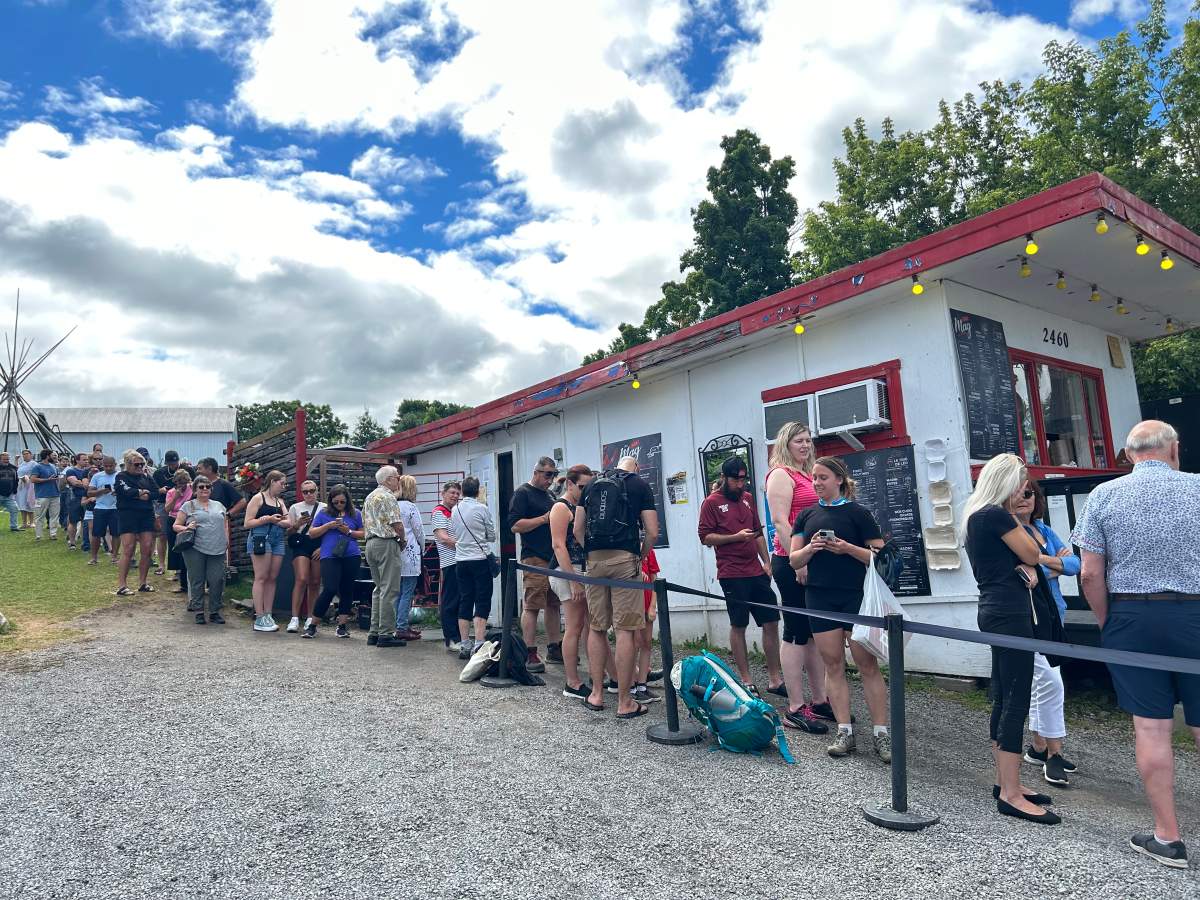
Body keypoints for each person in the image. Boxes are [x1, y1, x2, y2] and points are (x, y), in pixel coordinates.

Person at [1072, 420, 1200, 867]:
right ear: (1174, 450)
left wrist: (1110, 622)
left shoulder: (1105, 495)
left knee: (1151, 727)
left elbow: (1089, 573)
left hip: (1132, 616)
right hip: (1196, 613)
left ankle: (1168, 838)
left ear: (1128, 456)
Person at [962, 453, 1060, 825]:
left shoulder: (976, 515)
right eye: (1020, 481)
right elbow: (1034, 552)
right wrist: (1031, 564)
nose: (1024, 488)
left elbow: (1024, 560)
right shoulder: (997, 515)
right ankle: (1011, 792)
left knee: (1004, 694)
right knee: (1015, 696)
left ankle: (1005, 781)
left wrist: (1028, 568)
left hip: (994, 609)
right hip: (1010, 613)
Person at [789, 456, 890, 762]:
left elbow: (881, 557)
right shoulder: (806, 516)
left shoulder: (859, 513)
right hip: (820, 597)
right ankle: (844, 730)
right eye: (814, 478)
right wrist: (812, 548)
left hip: (856, 596)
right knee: (833, 665)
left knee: (867, 665)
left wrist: (847, 548)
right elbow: (794, 560)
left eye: (822, 478)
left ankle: (881, 733)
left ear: (839, 480)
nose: (817, 483)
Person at [575, 456, 658, 718]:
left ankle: (597, 694)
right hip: (625, 559)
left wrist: (590, 553)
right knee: (625, 629)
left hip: (595, 561)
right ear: (636, 468)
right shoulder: (640, 485)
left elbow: (577, 529)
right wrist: (640, 557)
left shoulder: (591, 485)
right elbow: (652, 532)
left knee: (597, 628)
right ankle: (625, 702)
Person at [698, 456, 785, 697]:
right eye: (736, 479)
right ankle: (746, 680)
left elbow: (757, 533)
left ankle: (775, 678)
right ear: (724, 478)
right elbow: (705, 537)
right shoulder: (711, 503)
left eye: (743, 479)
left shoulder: (747, 499)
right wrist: (734, 537)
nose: (741, 483)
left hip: (756, 571)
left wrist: (767, 562)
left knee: (771, 621)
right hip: (731, 572)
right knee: (739, 624)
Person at [765, 422, 832, 733]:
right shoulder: (781, 474)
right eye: (799, 441)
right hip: (789, 559)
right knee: (795, 631)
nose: (805, 446)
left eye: (808, 440)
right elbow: (780, 521)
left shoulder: (808, 474)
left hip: (815, 560)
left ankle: (820, 700)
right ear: (786, 444)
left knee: (814, 631)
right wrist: (797, 560)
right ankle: (794, 707)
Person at [1016, 481, 1080, 787]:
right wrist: (1053, 564)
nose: (1022, 500)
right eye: (1015, 494)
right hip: (1031, 618)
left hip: (1055, 613)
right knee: (1051, 682)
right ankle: (1054, 754)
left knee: (1042, 683)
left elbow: (1075, 564)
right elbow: (1024, 569)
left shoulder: (1044, 528)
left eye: (1027, 494)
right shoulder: (1010, 532)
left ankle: (1038, 748)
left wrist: (1041, 562)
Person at [507, 456, 563, 673]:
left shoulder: (548, 494)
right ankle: (529, 651)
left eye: (554, 475)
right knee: (532, 605)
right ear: (537, 472)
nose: (550, 479)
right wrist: (543, 519)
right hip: (534, 557)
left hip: (551, 557)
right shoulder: (523, 493)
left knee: (553, 604)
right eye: (548, 474)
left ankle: (553, 646)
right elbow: (514, 526)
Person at [549, 464, 595, 698]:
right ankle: (572, 681)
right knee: (574, 627)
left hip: (582, 569)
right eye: (581, 487)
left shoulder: (580, 505)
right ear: (569, 484)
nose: (585, 491)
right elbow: (558, 545)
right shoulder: (561, 507)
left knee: (590, 626)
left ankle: (598, 675)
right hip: (567, 570)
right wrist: (573, 580)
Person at [305, 484, 364, 639]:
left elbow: (364, 533)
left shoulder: (355, 514)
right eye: (336, 502)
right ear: (331, 501)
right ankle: (313, 625)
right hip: (330, 555)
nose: (339, 505)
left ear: (347, 501)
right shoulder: (324, 514)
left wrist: (349, 531)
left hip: (351, 554)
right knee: (330, 588)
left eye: (342, 502)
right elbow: (311, 533)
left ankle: (342, 625)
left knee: (347, 589)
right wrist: (328, 525)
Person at [173, 475, 228, 625]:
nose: (205, 489)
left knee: (217, 579)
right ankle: (198, 611)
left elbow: (225, 524)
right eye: (201, 487)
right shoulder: (188, 506)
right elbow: (176, 525)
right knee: (197, 579)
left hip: (217, 547)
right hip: (195, 548)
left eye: (207, 487)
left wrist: (226, 540)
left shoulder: (219, 505)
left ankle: (214, 611)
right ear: (195, 489)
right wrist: (186, 527)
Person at [451, 475, 496, 659]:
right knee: (482, 599)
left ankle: (464, 643)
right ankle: (479, 643)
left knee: (465, 600)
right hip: (480, 560)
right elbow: (491, 535)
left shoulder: (455, 509)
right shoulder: (482, 508)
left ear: (462, 491)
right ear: (478, 491)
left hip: (461, 560)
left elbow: (455, 532)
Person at [362, 466, 406, 648]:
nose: (398, 480)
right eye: (397, 477)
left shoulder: (370, 496)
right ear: (388, 480)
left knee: (379, 588)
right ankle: (386, 633)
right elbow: (397, 524)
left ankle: (374, 631)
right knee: (390, 589)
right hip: (386, 542)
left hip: (371, 543)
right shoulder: (388, 497)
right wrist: (402, 540)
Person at [243, 470, 289, 632]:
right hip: (260, 537)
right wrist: (267, 519)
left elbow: (288, 521)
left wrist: (279, 521)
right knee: (261, 577)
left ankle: (268, 613)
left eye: (285, 484)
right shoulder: (258, 498)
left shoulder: (280, 501)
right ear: (272, 481)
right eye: (281, 483)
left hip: (277, 538)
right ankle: (259, 615)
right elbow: (247, 523)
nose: (283, 486)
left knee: (272, 577)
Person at [114, 448, 158, 595]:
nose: (140, 467)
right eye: (136, 464)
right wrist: (140, 493)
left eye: (142, 464)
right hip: (128, 515)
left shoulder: (147, 477)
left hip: (146, 515)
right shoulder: (121, 476)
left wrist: (144, 494)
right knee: (128, 548)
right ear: (128, 464)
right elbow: (125, 491)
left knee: (147, 548)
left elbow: (156, 492)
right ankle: (122, 585)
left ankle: (143, 582)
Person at [285, 480, 325, 634]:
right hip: (301, 542)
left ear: (317, 491)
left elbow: (329, 531)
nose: (309, 494)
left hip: (318, 543)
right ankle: (294, 618)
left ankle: (310, 617)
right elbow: (289, 533)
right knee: (301, 578)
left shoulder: (324, 508)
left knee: (315, 582)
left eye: (311, 490)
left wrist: (323, 548)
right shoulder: (295, 507)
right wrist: (297, 524)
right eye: (305, 491)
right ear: (301, 493)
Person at [195, 458, 247, 566]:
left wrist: (228, 514)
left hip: (219, 525)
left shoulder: (223, 484)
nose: (197, 471)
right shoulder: (199, 486)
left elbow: (242, 502)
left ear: (209, 469)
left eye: (200, 468)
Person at [393, 474, 425, 642]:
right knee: (408, 591)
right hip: (410, 550)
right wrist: (423, 548)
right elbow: (418, 530)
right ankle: (402, 626)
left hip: (395, 550)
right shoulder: (411, 507)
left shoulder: (393, 505)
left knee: (397, 591)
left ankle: (398, 623)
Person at [431, 481, 462, 650]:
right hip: (450, 561)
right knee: (450, 600)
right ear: (443, 494)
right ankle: (451, 638)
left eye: (458, 493)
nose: (455, 496)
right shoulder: (439, 512)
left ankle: (457, 636)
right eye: (452, 492)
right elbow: (443, 537)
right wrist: (465, 545)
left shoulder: (455, 512)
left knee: (459, 600)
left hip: (460, 560)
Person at [153, 451, 194, 576]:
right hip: (165, 504)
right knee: (163, 535)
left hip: (185, 511)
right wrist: (162, 491)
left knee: (184, 538)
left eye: (175, 462)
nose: (173, 465)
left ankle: (183, 567)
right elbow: (154, 491)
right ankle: (162, 564)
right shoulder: (159, 473)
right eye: (171, 463)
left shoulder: (187, 471)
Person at [164, 469, 193, 595]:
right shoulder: (171, 492)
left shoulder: (192, 489)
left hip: (187, 521)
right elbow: (167, 509)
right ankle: (180, 579)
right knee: (175, 549)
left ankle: (187, 582)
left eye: (183, 483)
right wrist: (175, 497)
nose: (181, 486)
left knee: (187, 551)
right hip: (173, 520)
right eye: (178, 483)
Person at [87, 456, 119, 565]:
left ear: (115, 465)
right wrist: (101, 491)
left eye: (111, 466)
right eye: (106, 466)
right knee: (96, 534)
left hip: (116, 508)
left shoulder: (120, 476)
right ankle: (94, 557)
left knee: (116, 533)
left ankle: (114, 556)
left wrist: (117, 492)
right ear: (103, 465)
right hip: (100, 508)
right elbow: (89, 493)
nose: (109, 468)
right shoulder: (97, 476)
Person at [30, 449, 61, 541]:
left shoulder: (54, 466)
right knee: (39, 516)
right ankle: (38, 535)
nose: (55, 457)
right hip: (42, 495)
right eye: (53, 455)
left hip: (55, 494)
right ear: (47, 456)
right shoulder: (37, 466)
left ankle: (53, 534)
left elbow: (56, 479)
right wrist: (47, 479)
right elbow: (33, 479)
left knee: (54, 515)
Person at [64, 452, 91, 549]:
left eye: (87, 460)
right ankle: (72, 542)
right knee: (73, 521)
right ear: (77, 460)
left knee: (87, 522)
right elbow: (74, 482)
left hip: (87, 498)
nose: (86, 461)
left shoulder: (89, 471)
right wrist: (87, 484)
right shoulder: (71, 471)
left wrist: (82, 482)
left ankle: (86, 542)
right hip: (75, 498)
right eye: (84, 460)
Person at [16, 448, 36, 529]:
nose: (25, 455)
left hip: (30, 486)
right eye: (23, 454)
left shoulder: (34, 464)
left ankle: (32, 522)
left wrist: (28, 477)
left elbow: (36, 473)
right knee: (22, 503)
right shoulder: (22, 464)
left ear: (30, 455)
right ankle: (24, 522)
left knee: (29, 503)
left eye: (27, 453)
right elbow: (17, 471)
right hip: (21, 486)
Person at [0, 451, 19, 531]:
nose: (6, 461)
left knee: (14, 509)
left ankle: (14, 527)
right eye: (4, 459)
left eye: (8, 459)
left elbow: (16, 480)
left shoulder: (13, 468)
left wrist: (14, 490)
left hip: (9, 495)